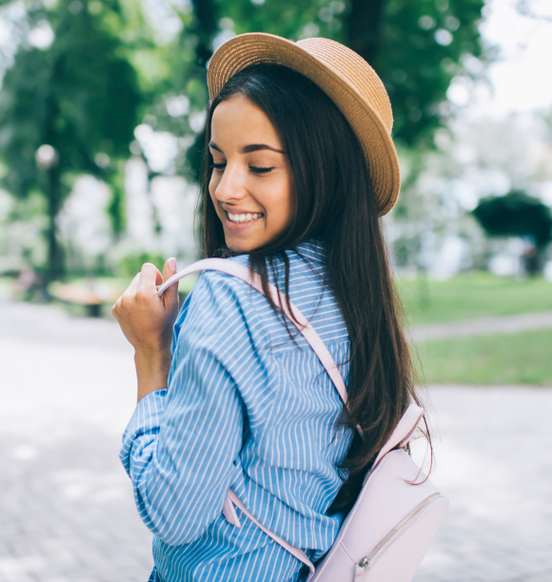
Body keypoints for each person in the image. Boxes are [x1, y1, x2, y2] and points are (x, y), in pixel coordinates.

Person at [112, 33, 427, 582]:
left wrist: (150, 355)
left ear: (324, 171)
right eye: (217, 162)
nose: (226, 189)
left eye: (260, 167)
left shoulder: (228, 298)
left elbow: (173, 512)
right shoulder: (354, 290)